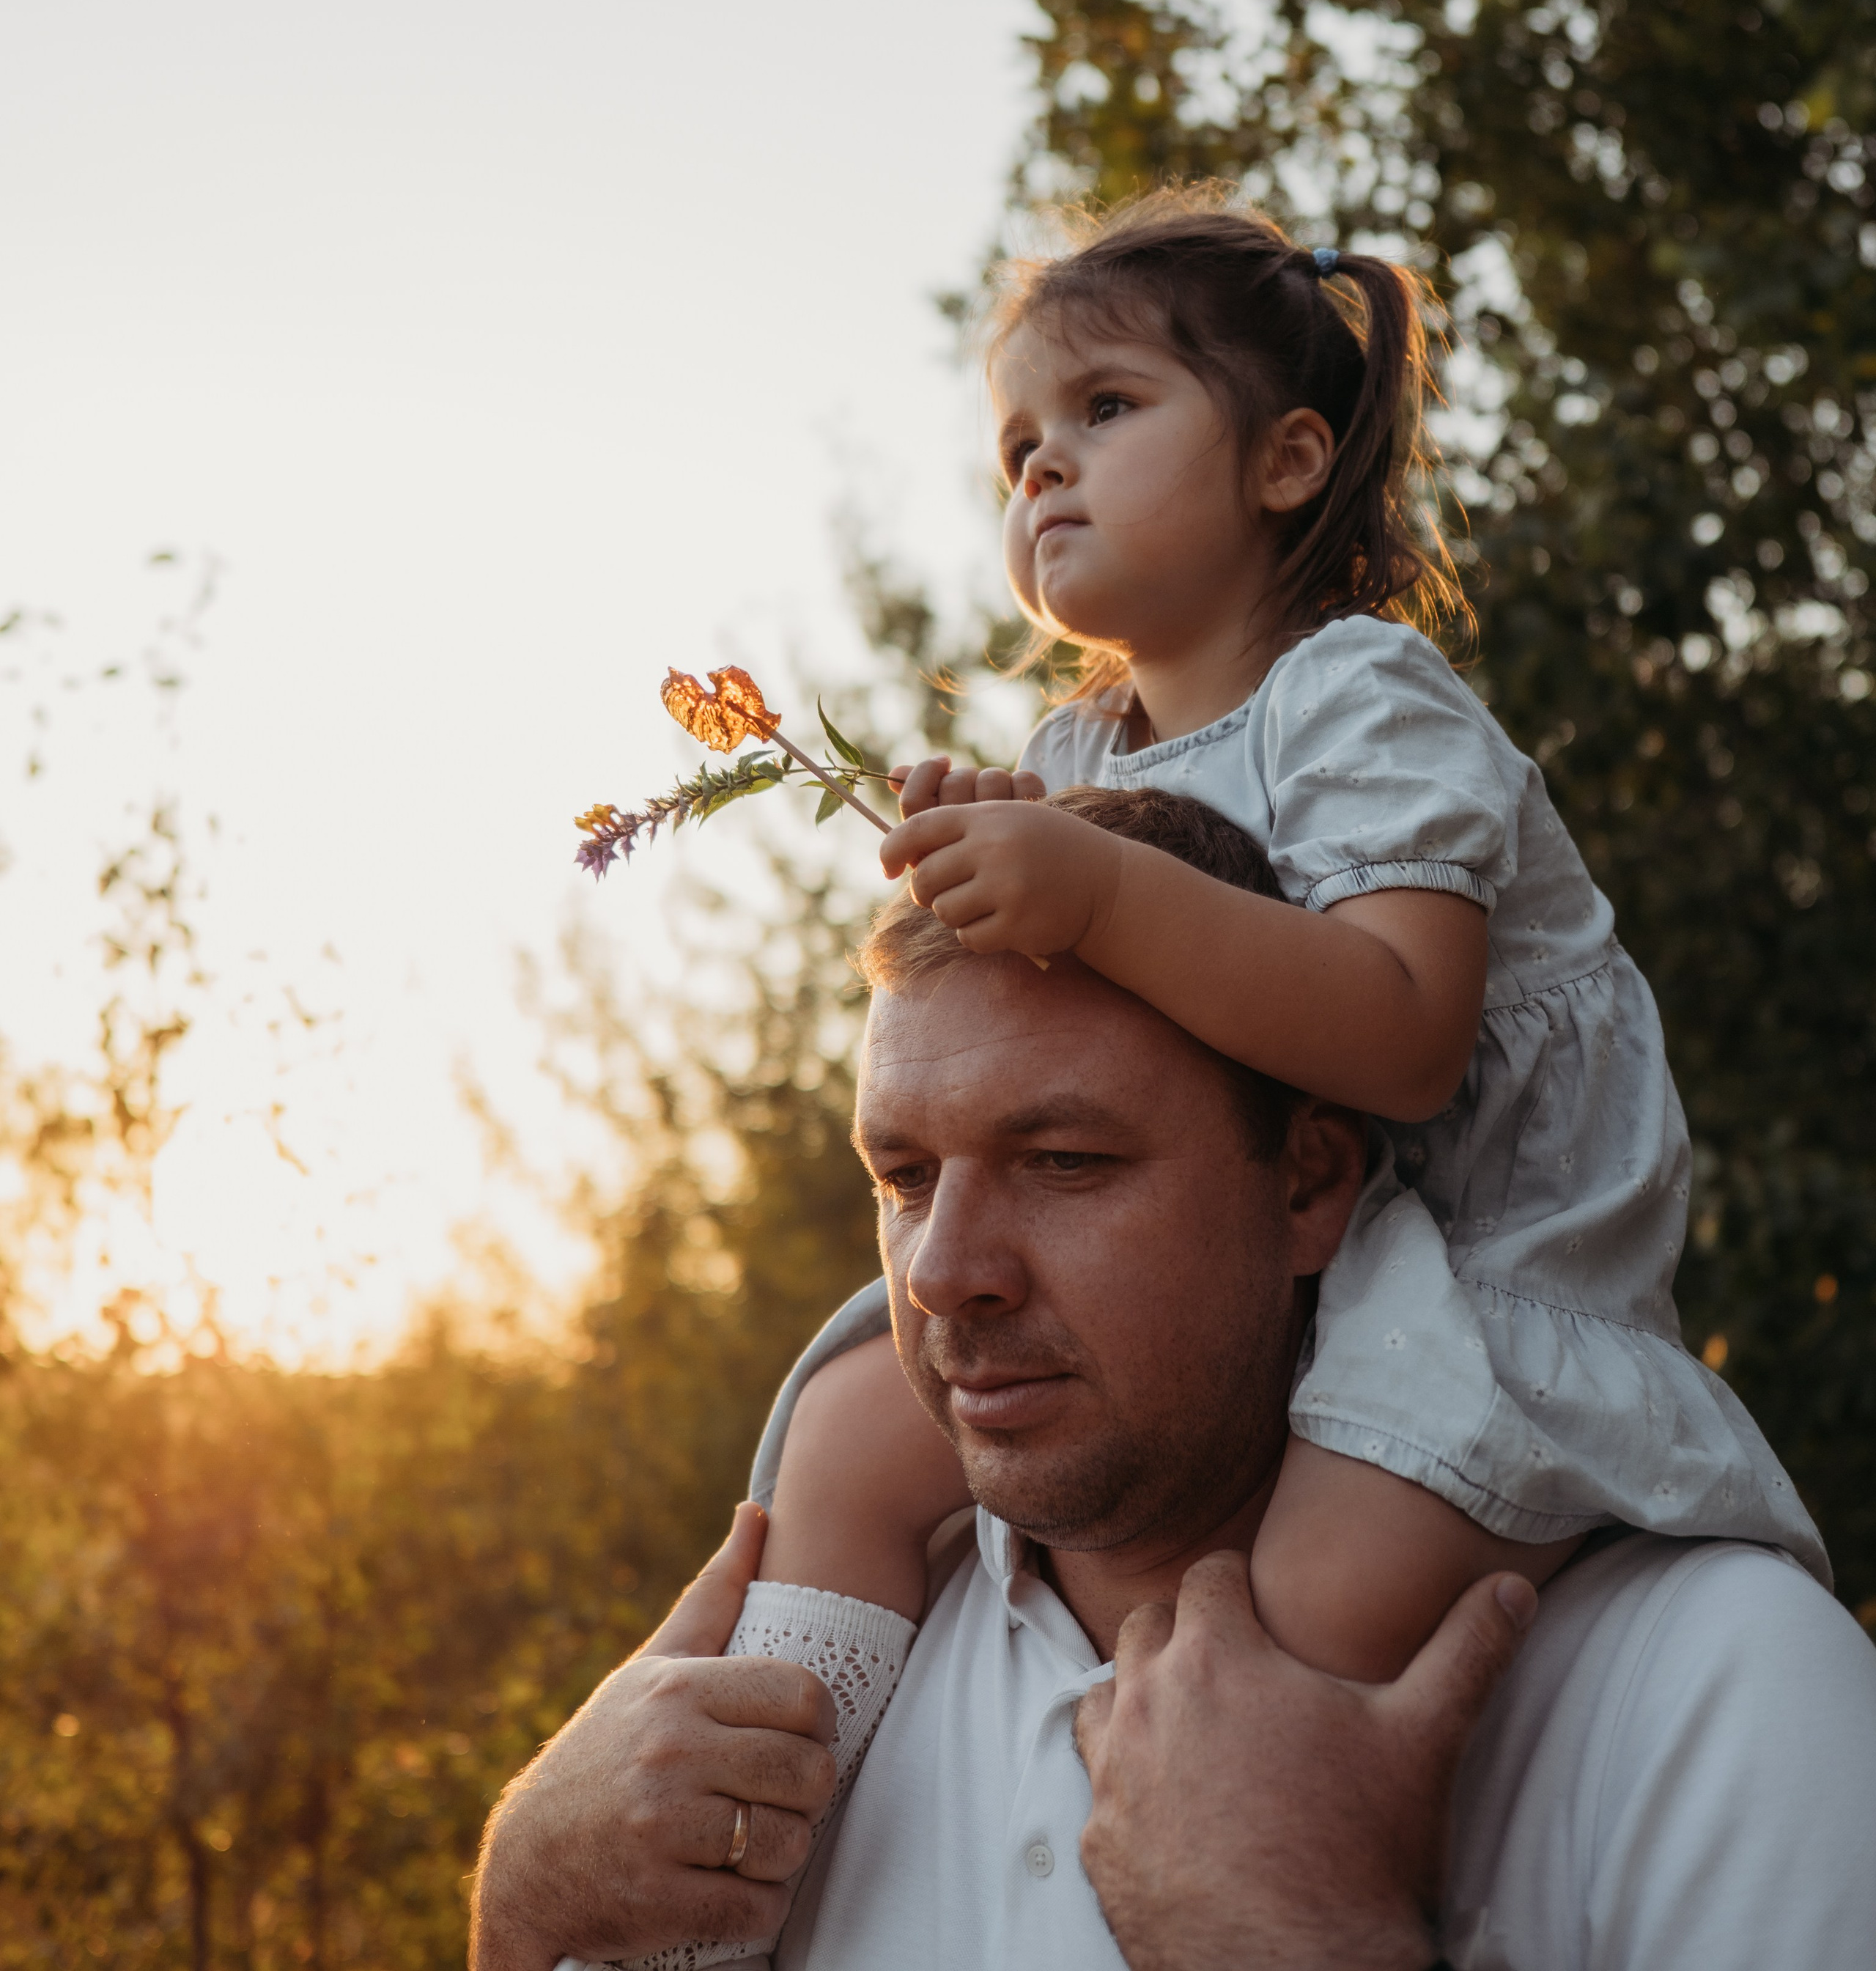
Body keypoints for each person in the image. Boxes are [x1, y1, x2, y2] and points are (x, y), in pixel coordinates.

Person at [471, 790, 1876, 1971]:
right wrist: (523, 1899)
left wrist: (1294, 1931)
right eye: (903, 1176)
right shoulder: (816, 1669)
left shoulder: (1720, 1691)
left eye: (1067, 1162)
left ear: (1313, 1183)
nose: (944, 1270)